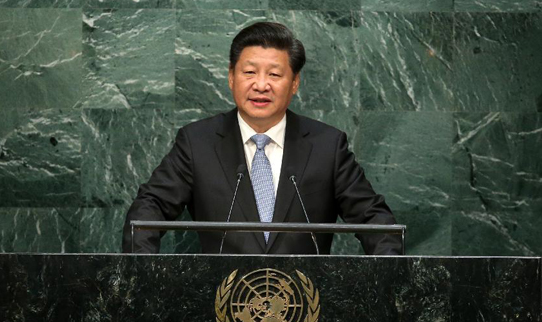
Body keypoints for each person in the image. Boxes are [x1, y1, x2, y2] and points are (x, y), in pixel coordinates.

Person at [122, 22, 401, 255]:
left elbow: (373, 219)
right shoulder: (197, 143)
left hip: (304, 307)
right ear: (231, 77)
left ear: (294, 83)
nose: (261, 85)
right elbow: (150, 207)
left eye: (275, 74)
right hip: (220, 305)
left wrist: (389, 278)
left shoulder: (327, 146)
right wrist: (143, 273)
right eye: (250, 72)